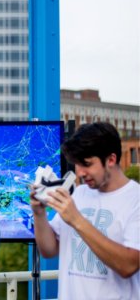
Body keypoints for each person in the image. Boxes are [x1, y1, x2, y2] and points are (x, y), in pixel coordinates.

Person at [31, 122, 140, 299]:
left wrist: (77, 220)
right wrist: (39, 213)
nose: (80, 173)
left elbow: (128, 266)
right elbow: (49, 250)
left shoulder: (135, 199)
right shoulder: (80, 194)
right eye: (76, 164)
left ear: (111, 159)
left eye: (87, 164)